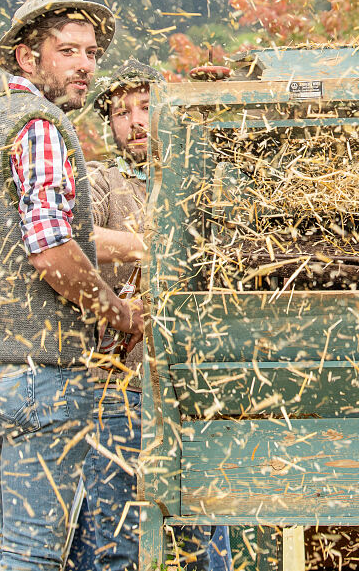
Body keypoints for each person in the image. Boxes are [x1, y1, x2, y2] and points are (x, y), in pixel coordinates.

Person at [0, 0, 144, 571]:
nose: (85, 66)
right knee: (32, 557)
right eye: (68, 51)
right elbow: (52, 252)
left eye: (90, 53)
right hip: (37, 377)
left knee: (17, 549)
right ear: (28, 57)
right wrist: (119, 312)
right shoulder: (39, 126)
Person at [66, 60, 230, 571]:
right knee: (114, 541)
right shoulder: (101, 182)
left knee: (204, 541)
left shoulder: (204, 174)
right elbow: (70, 240)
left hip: (195, 388)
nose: (136, 121)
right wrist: (149, 247)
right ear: (108, 124)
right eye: (121, 112)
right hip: (119, 390)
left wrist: (221, 102)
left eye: (146, 106)